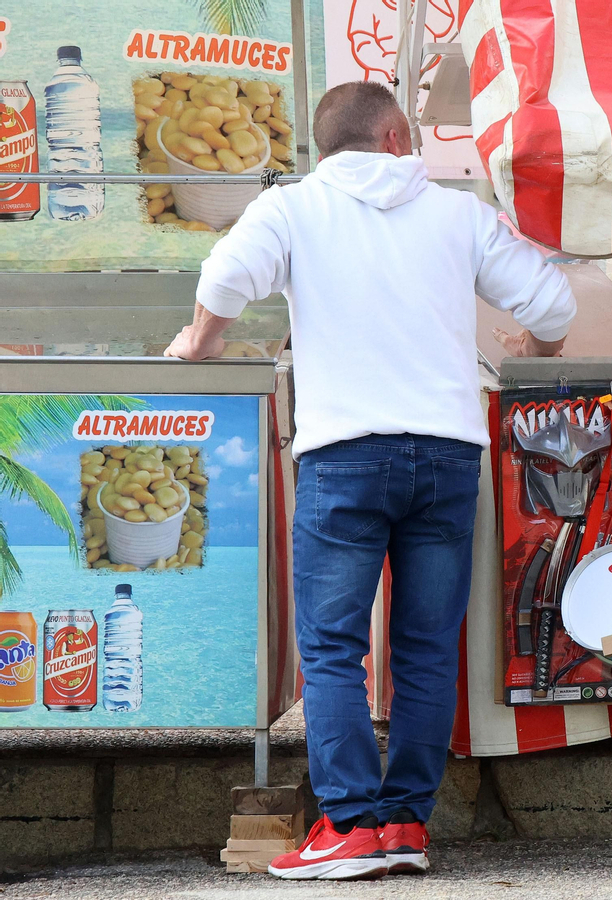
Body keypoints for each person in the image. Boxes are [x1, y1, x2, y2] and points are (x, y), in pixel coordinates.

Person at [164, 81, 576, 880]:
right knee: (426, 650)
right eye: (411, 136)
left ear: (328, 145)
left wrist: (202, 344)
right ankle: (404, 828)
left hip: (345, 454)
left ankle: (349, 826)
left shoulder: (294, 208)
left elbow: (221, 282)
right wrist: (533, 343)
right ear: (394, 136)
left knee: (333, 649)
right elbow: (553, 306)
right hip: (448, 457)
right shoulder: (457, 215)